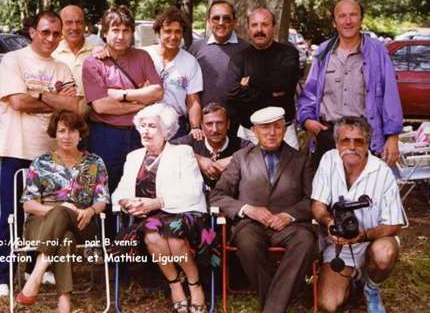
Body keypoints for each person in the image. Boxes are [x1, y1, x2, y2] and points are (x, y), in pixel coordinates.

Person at [0, 10, 80, 298]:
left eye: (57, 34)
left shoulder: (63, 68)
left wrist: (38, 95)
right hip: (17, 149)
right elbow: (17, 101)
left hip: (50, 156)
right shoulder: (12, 60)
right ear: (33, 32)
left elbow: (73, 109)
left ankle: (31, 268)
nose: (51, 38)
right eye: (45, 32)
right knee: (11, 216)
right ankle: (1, 277)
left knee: (45, 216)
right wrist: (53, 99)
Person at [210, 106, 315, 313]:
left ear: (285, 130)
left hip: (288, 226)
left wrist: (288, 215)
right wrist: (248, 209)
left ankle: (271, 308)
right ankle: (277, 304)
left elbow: (312, 200)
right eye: (265, 128)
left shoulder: (301, 159)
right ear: (254, 131)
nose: (272, 132)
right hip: (250, 224)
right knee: (247, 242)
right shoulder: (241, 158)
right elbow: (217, 196)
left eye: (277, 127)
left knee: (306, 240)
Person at [112, 103, 215, 313]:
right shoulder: (133, 157)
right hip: (149, 216)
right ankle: (175, 285)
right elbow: (120, 192)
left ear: (165, 130)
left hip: (184, 211)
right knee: (152, 235)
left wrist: (157, 202)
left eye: (152, 126)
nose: (146, 131)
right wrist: (128, 204)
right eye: (142, 126)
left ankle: (195, 285)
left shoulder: (182, 153)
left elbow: (194, 191)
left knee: (174, 238)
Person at [15, 111, 109, 313]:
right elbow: (28, 204)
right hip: (41, 223)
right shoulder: (41, 162)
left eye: (73, 130)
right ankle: (64, 301)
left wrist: (91, 210)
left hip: (81, 222)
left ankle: (36, 273)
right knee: (64, 235)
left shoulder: (94, 162)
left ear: (81, 134)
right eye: (62, 131)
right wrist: (60, 209)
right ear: (55, 134)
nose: (67, 136)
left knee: (63, 215)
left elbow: (102, 199)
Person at [311, 116, 407, 313]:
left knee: (385, 252)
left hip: (372, 241)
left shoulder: (382, 172)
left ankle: (371, 288)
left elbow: (395, 225)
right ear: (337, 143)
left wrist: (362, 235)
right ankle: (352, 280)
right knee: (327, 304)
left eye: (359, 141)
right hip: (339, 247)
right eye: (346, 140)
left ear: (368, 144)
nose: (352, 146)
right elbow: (317, 204)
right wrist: (328, 221)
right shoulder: (328, 160)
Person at [297, 0, 403, 168]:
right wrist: (308, 121)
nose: (348, 21)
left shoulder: (378, 51)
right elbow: (310, 93)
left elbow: (390, 96)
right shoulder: (323, 52)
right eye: (342, 16)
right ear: (334, 22)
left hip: (364, 137)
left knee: (364, 193)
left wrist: (392, 137)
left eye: (353, 15)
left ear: (361, 19)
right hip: (328, 135)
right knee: (327, 193)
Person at [83, 4, 163, 197]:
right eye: (115, 30)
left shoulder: (142, 56)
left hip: (139, 134)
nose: (120, 36)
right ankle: (108, 228)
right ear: (105, 33)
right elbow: (101, 106)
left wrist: (123, 95)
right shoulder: (93, 63)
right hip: (106, 136)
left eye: (126, 30)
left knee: (142, 187)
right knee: (105, 189)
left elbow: (157, 91)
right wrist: (142, 102)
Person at [225, 8, 300, 149]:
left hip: (283, 132)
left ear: (274, 27)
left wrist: (249, 82)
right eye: (254, 25)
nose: (259, 29)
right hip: (249, 133)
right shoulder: (239, 58)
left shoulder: (288, 54)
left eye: (264, 24)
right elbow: (231, 91)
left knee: (290, 170)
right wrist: (272, 94)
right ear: (248, 29)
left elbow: (283, 84)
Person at [189, 0, 249, 136]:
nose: (221, 22)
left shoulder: (247, 50)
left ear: (234, 21)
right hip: (203, 127)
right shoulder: (195, 49)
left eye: (226, 18)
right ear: (209, 22)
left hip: (237, 128)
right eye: (216, 18)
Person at [143, 7, 203, 140]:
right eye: (167, 31)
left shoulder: (190, 62)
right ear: (158, 32)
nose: (173, 36)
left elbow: (193, 100)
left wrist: (195, 127)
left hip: (176, 125)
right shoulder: (144, 55)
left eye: (178, 32)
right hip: (145, 121)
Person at [171, 102, 250, 190]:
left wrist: (234, 159)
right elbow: (168, 148)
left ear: (228, 124)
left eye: (220, 123)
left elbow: (257, 150)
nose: (215, 129)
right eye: (209, 124)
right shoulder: (193, 141)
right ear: (201, 125)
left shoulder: (239, 144)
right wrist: (197, 159)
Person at [53, 5, 95, 117]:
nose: (75, 27)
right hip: (58, 126)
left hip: (91, 126)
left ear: (85, 25)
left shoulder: (97, 53)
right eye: (69, 22)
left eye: (79, 22)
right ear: (60, 25)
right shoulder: (51, 54)